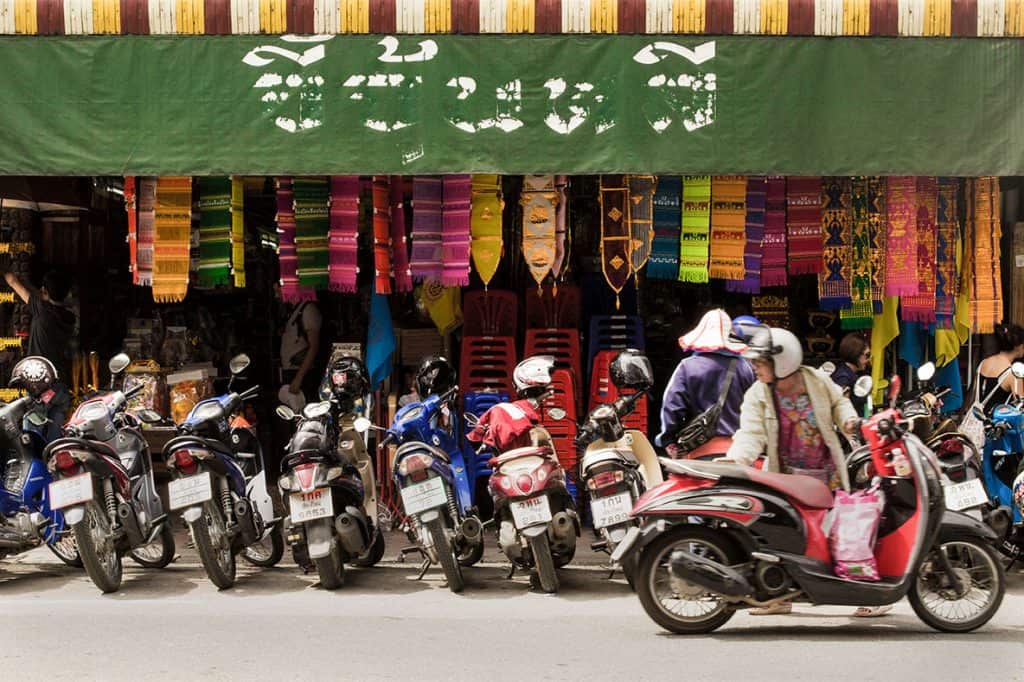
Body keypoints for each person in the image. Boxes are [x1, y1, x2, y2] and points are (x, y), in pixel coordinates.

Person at [725, 326, 890, 617]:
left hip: (827, 472)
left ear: (782, 362)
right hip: (787, 478)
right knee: (787, 536)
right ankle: (781, 595)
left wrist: (850, 422)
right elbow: (750, 433)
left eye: (760, 363)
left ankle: (867, 594)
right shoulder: (758, 394)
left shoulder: (817, 380)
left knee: (845, 533)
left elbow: (840, 402)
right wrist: (736, 460)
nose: (755, 368)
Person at [656, 309, 756, 457]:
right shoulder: (746, 367)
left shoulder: (686, 367)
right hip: (740, 451)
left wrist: (668, 441)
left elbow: (671, 408)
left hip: (699, 451)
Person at [4, 270, 75, 440]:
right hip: (60, 388)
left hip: (41, 386)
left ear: (44, 292)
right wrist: (27, 283)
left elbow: (12, 281)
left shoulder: (42, 309)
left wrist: (6, 270)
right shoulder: (69, 317)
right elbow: (39, 295)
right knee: (54, 441)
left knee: (33, 436)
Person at [277, 291, 323, 410]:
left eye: (278, 291)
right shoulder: (291, 311)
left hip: (302, 374)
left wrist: (299, 378)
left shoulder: (308, 310)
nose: (277, 295)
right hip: (291, 372)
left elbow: (314, 346)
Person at [976, 323, 1024, 411]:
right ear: (1018, 346)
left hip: (977, 421)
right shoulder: (1013, 374)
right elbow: (1021, 408)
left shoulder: (983, 363)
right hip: (998, 423)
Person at [830, 332, 871, 417]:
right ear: (856, 354)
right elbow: (843, 410)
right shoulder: (843, 378)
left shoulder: (852, 374)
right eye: (867, 355)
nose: (868, 360)